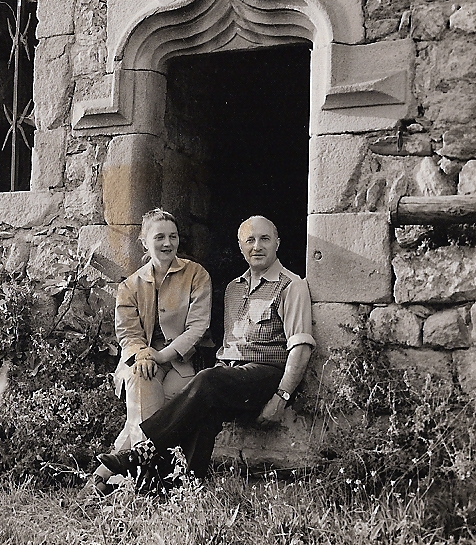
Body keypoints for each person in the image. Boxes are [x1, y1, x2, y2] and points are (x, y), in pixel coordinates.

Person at [98, 215, 315, 483]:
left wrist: (281, 398)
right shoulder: (234, 288)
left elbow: (301, 348)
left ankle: (140, 453)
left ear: (277, 243)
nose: (257, 246)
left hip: (265, 373)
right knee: (205, 412)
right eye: (250, 240)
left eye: (264, 239)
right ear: (240, 247)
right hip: (231, 374)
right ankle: (181, 486)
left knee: (208, 379)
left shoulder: (291, 285)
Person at [87, 208, 212, 495]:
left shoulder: (196, 275)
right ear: (144, 242)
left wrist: (162, 355)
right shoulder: (130, 285)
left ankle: (108, 476)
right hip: (141, 362)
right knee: (140, 383)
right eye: (159, 237)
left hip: (179, 363)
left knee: (150, 416)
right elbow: (128, 334)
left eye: (173, 236)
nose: (167, 243)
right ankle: (145, 482)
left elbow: (197, 328)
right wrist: (143, 355)